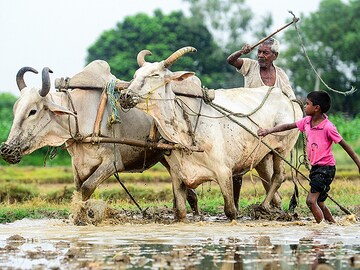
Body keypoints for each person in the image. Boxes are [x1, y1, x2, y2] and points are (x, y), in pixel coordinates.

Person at [257, 91, 360, 223]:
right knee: (320, 203)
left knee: (311, 202)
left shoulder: (328, 127)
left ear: (316, 108)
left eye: (307, 104)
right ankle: (332, 225)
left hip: (326, 168)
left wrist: (358, 163)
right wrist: (268, 131)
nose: (304, 106)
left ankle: (321, 228)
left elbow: (345, 145)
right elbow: (288, 126)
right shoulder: (306, 122)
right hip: (316, 168)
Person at [226, 37, 295, 99]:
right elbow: (231, 61)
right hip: (250, 110)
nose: (260, 55)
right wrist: (242, 52)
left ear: (275, 55)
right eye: (259, 52)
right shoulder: (250, 65)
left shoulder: (281, 75)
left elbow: (292, 98)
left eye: (265, 53)